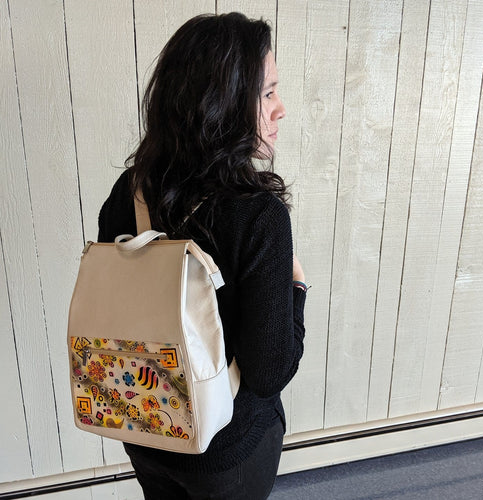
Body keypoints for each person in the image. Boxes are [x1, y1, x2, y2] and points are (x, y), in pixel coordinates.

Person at [97, 12, 307, 500]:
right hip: (224, 448)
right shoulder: (259, 216)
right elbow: (269, 370)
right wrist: (295, 290)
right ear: (224, 103)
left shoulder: (130, 192)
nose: (281, 108)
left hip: (146, 423)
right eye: (268, 92)